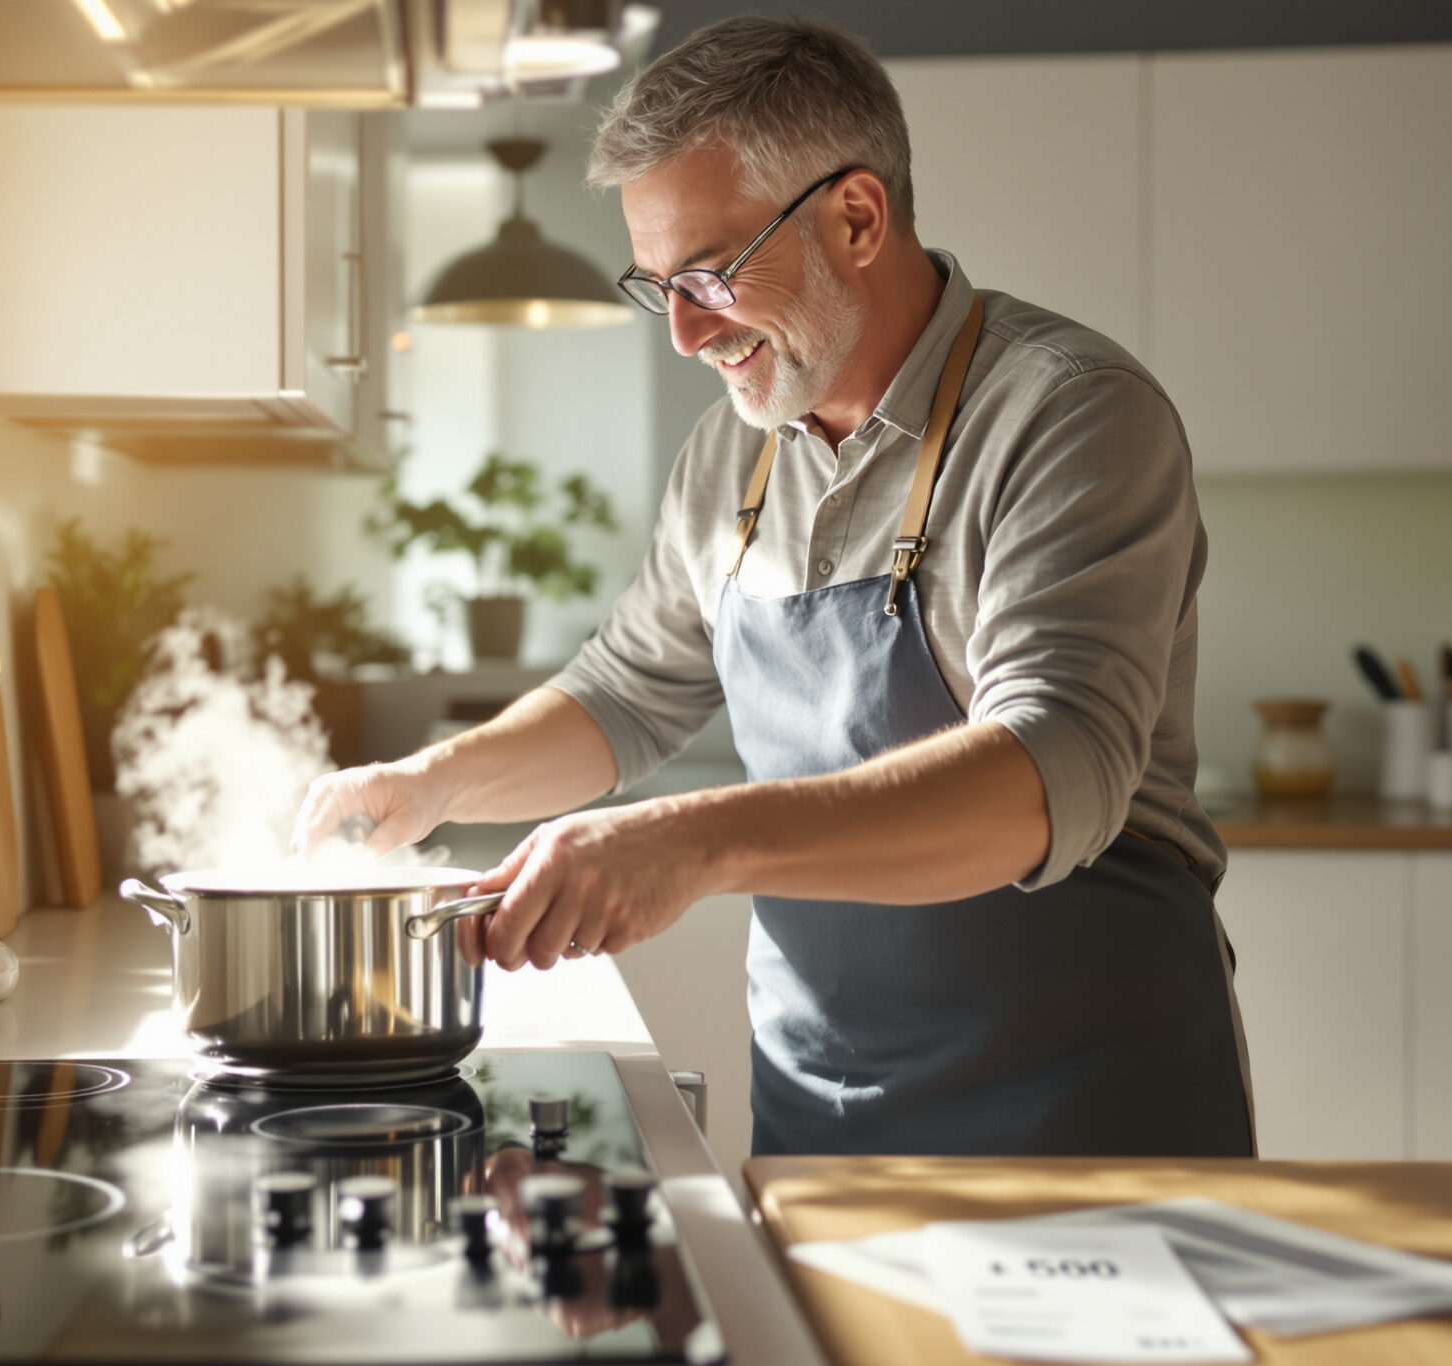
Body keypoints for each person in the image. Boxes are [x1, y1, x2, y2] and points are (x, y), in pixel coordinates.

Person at [296, 16, 1251, 1158]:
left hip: (1082, 1113)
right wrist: (431, 781)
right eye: (659, 287)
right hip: (822, 1113)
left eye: (709, 274)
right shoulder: (728, 455)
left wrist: (691, 842)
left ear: (856, 216)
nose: (687, 334)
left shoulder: (1068, 414)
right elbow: (628, 693)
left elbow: (1051, 774)